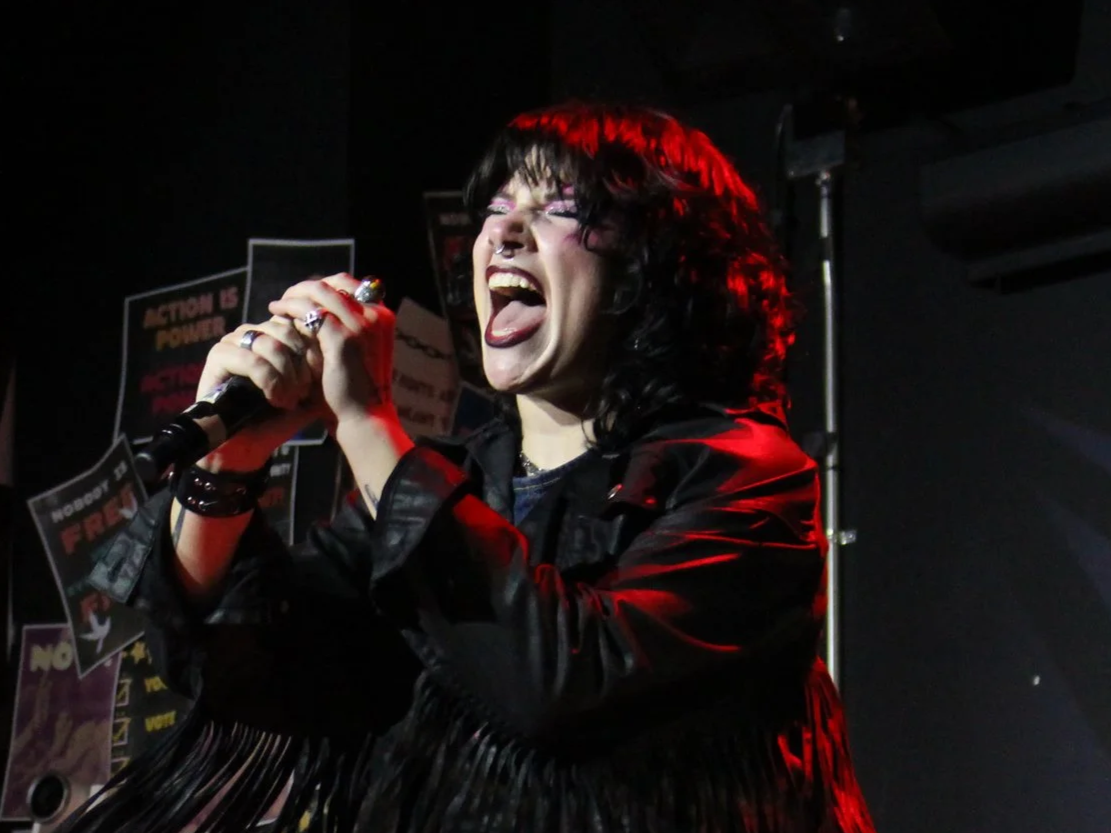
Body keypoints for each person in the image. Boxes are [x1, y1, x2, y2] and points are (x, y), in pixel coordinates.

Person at [62, 101, 876, 832]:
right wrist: (231, 463)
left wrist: (366, 419)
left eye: (561, 209)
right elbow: (259, 662)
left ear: (653, 270)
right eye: (494, 209)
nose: (503, 234)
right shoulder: (459, 488)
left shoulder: (745, 476)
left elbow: (565, 682)